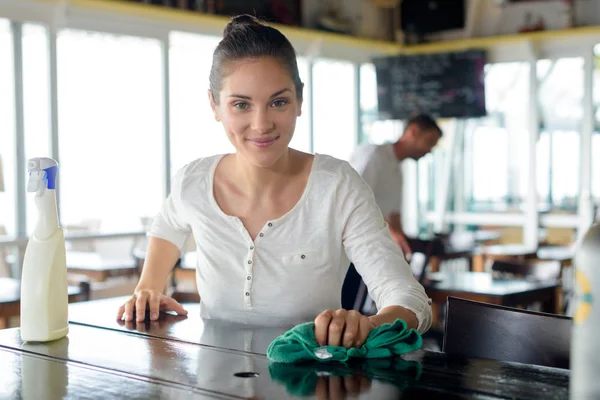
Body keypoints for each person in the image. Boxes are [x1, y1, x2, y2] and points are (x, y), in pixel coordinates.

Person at [116, 15, 432, 348]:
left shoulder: (337, 186)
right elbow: (166, 227)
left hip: (313, 385)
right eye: (241, 104)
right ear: (214, 104)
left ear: (299, 99)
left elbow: (411, 301)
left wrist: (366, 324)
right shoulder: (192, 183)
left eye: (278, 102)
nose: (261, 124)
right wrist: (147, 291)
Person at [349, 114, 442, 259]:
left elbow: (394, 215)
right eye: (429, 141)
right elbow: (353, 199)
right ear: (413, 132)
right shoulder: (374, 155)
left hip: (370, 248)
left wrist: (402, 250)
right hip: (353, 246)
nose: (429, 150)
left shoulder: (397, 171)